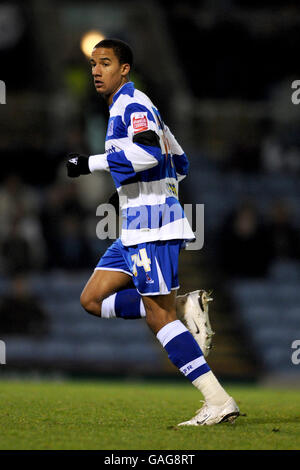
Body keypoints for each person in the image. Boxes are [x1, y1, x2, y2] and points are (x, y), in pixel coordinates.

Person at [66, 38, 239, 426]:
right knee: (92, 300)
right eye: (93, 64)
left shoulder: (133, 104)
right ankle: (183, 306)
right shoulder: (128, 108)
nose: (96, 70)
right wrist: (140, 191)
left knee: (157, 319)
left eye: (105, 63)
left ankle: (218, 400)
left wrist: (89, 163)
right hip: (133, 225)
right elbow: (181, 161)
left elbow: (150, 155)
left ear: (124, 69)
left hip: (152, 223)